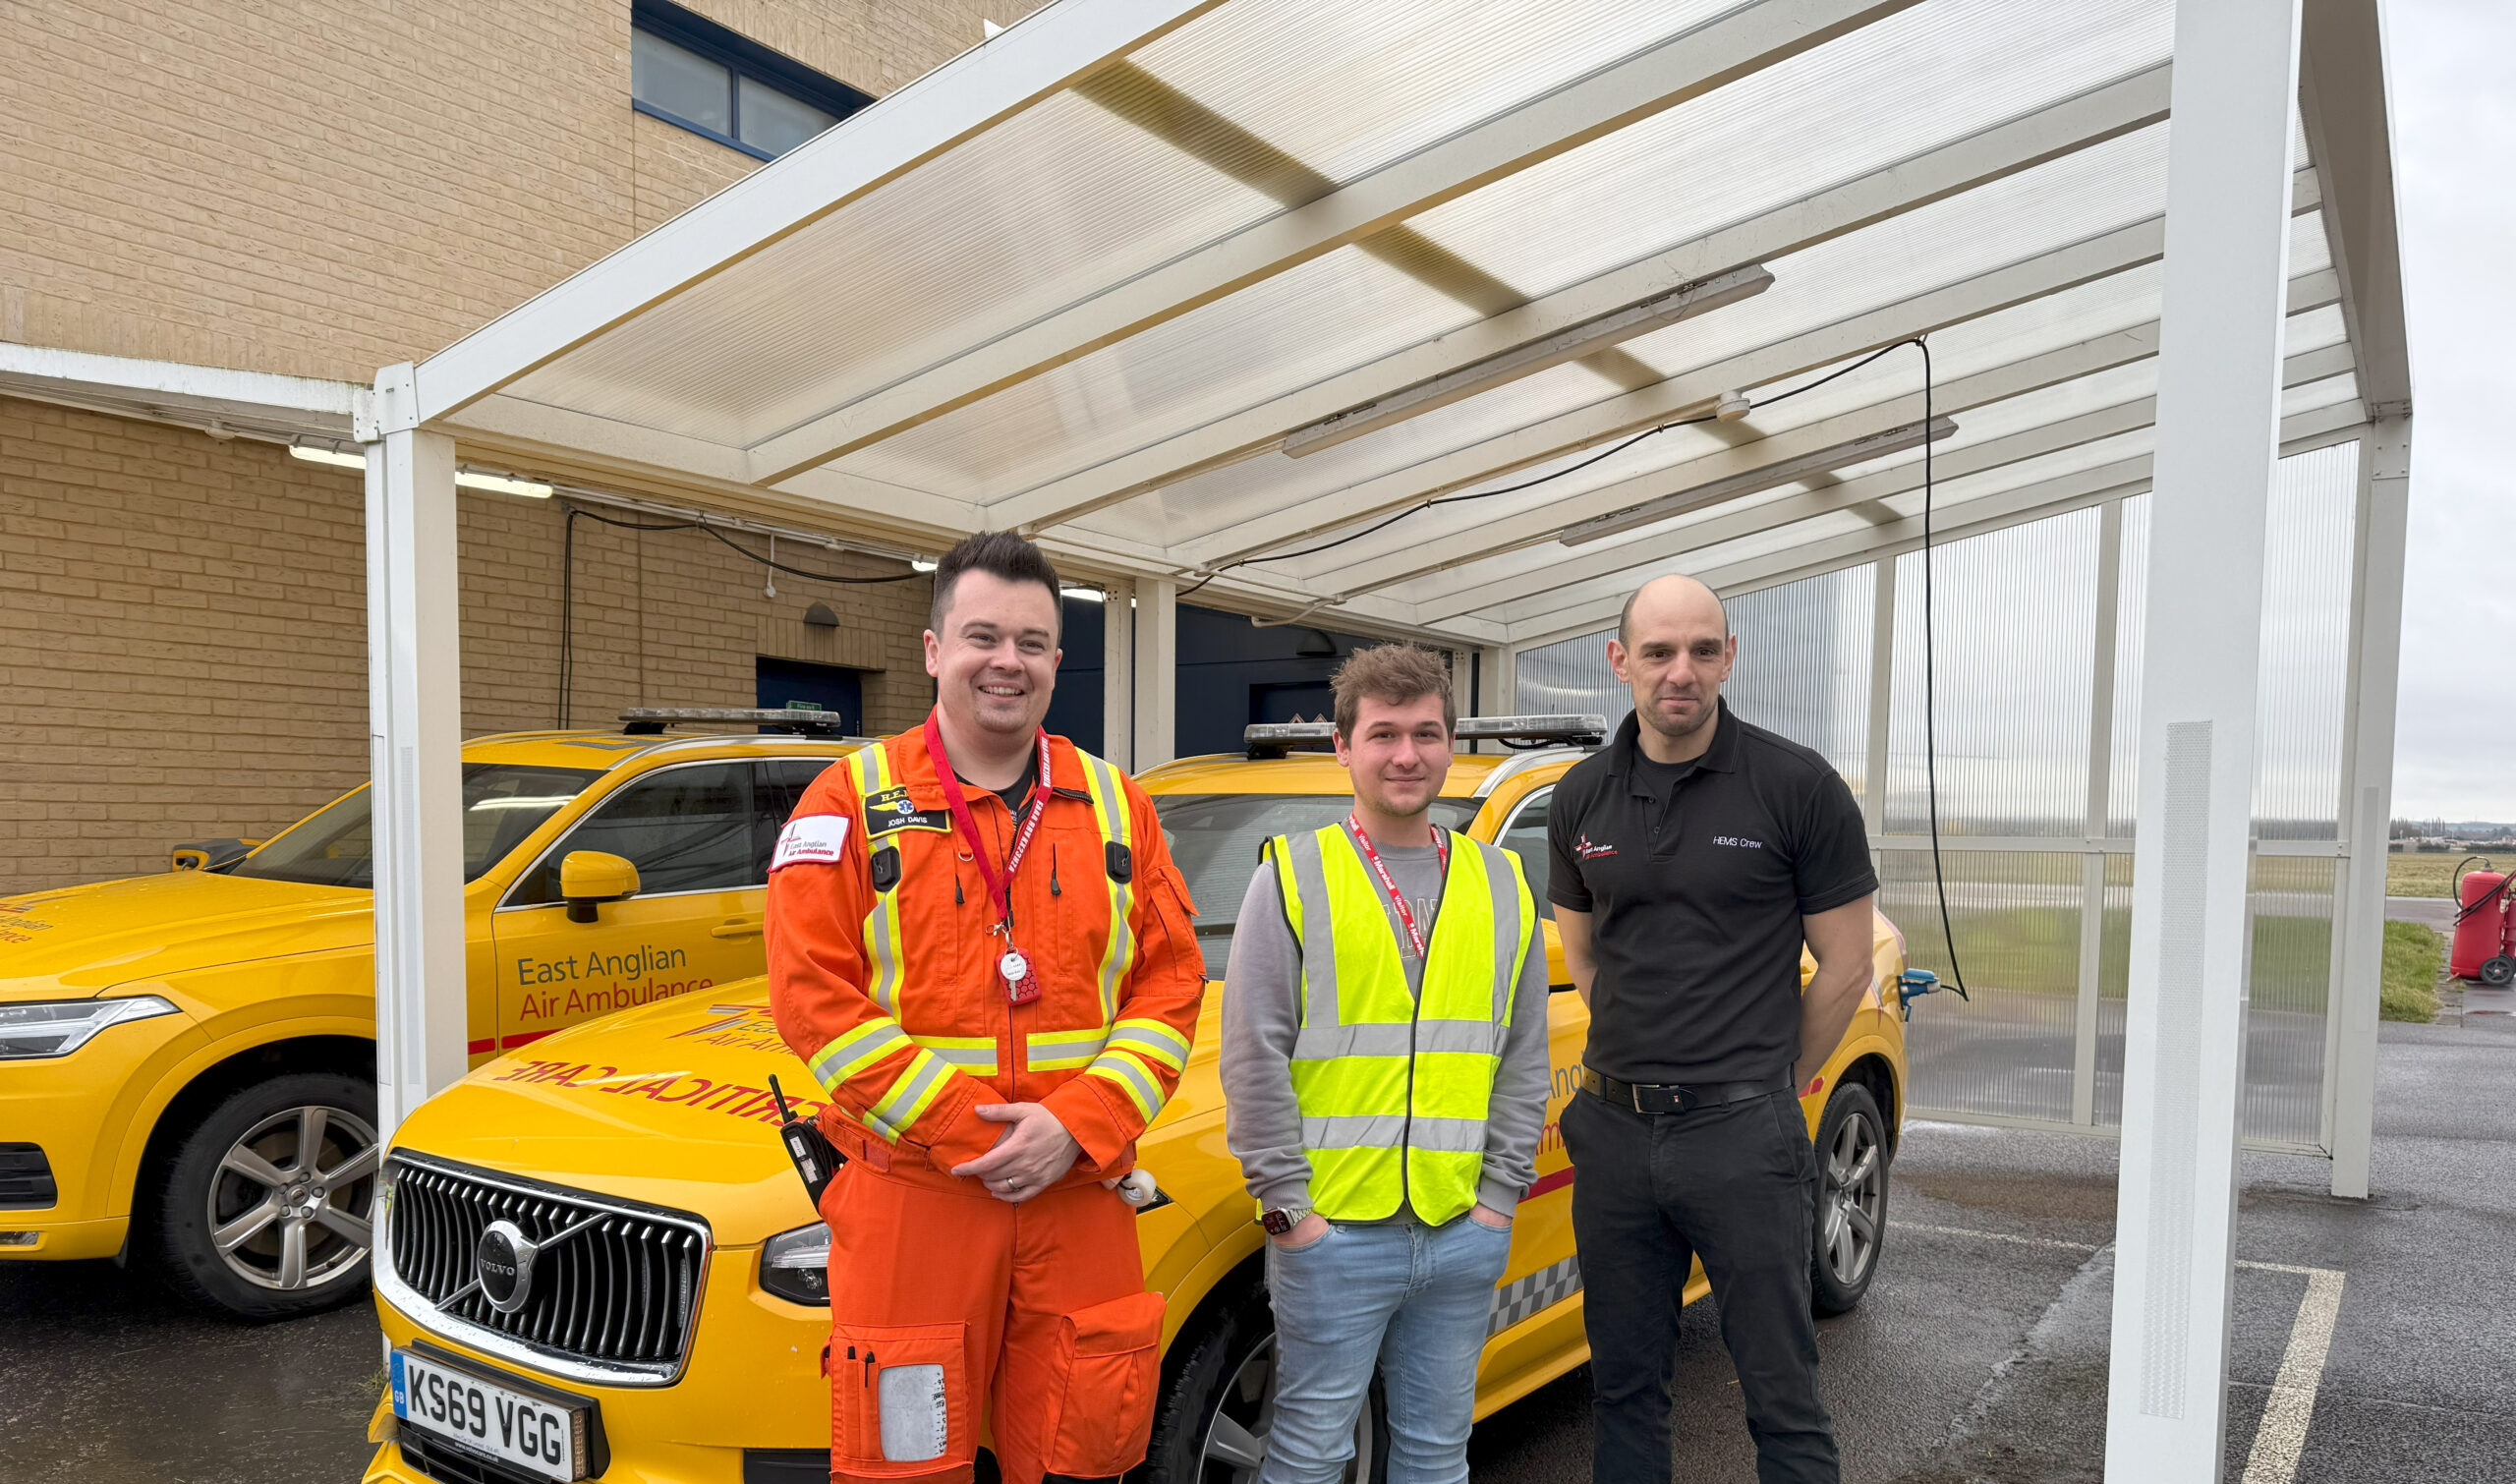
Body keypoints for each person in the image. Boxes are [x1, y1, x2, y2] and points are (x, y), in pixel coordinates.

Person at [767, 532, 1208, 1484]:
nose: (1007, 660)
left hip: (1077, 1192)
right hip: (916, 1200)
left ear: (1055, 660)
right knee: (906, 1467)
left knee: (1077, 1460)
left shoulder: (1118, 806)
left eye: (1031, 642)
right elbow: (812, 1000)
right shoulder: (847, 801)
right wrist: (978, 1134)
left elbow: (1170, 987)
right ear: (934, 650)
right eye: (983, 636)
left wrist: (1076, 1125)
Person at [1547, 574, 1878, 1484]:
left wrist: (1764, 1083)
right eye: (1658, 652)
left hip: (1742, 1135)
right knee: (1623, 1390)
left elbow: (1848, 965)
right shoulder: (1580, 796)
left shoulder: (1797, 786)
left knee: (1782, 1393)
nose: (1680, 672)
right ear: (1620, 661)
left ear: (1730, 657)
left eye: (1701, 650)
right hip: (1614, 1134)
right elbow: (1587, 961)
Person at [1220, 644, 1550, 1484]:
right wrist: (1289, 1213)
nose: (1407, 754)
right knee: (1309, 1456)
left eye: (1426, 734)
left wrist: (1498, 1202)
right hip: (1332, 1236)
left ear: (1449, 745)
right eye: (1384, 734)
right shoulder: (1293, 876)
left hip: (1459, 1229)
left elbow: (1521, 1058)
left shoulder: (1502, 882)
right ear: (1343, 746)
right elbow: (1253, 1056)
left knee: (1438, 1457)